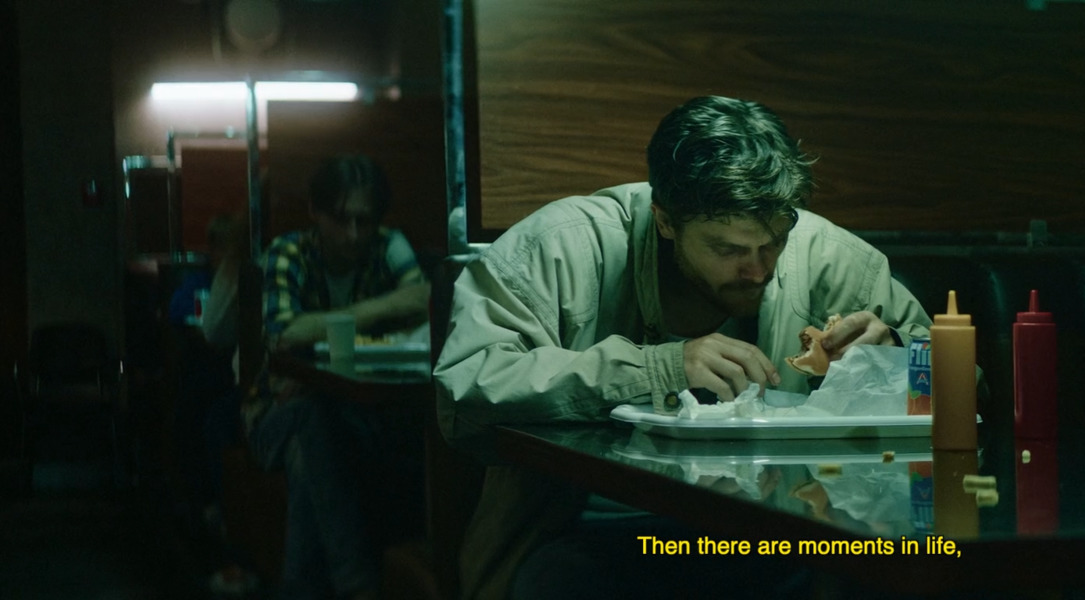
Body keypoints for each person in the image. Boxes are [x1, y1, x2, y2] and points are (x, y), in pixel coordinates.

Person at [434, 96, 935, 599]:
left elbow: (958, 386)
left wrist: (891, 358)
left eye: (773, 242)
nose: (758, 270)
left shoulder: (833, 260)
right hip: (586, 533)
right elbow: (467, 387)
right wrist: (660, 369)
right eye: (728, 250)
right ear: (666, 221)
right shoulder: (561, 248)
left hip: (782, 537)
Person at [252, 154, 430, 600]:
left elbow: (425, 299)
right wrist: (379, 311)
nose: (353, 235)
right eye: (340, 219)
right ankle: (360, 589)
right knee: (311, 420)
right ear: (315, 212)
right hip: (272, 415)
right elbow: (283, 335)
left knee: (312, 449)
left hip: (357, 417)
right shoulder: (288, 252)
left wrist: (331, 324)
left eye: (364, 222)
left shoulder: (388, 244)